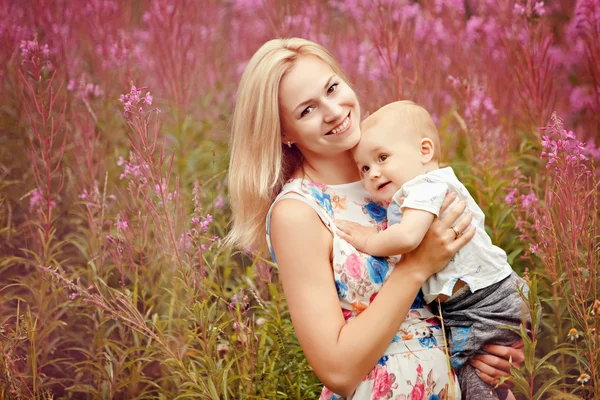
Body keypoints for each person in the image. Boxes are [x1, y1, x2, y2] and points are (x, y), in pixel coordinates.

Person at [226, 37, 524, 399]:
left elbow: (463, 284)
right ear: (284, 132)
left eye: (333, 88)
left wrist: (495, 347)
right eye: (307, 110)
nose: (334, 111)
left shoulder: (396, 167)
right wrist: (415, 266)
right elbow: (337, 369)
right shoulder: (299, 212)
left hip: (453, 382)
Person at [336, 100, 531, 399]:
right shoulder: (422, 189)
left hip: (483, 303)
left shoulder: (425, 187)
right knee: (486, 380)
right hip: (480, 302)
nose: (373, 173)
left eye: (383, 157)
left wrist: (368, 240)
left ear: (425, 151)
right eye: (364, 167)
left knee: (476, 380)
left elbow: (410, 237)